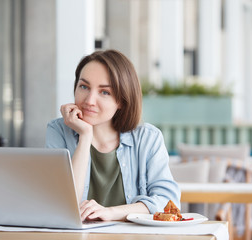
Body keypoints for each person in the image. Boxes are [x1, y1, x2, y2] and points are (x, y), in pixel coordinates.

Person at [45, 49, 180, 221]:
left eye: (104, 92)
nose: (89, 100)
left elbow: (168, 203)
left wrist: (110, 212)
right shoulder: (59, 130)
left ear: (122, 101)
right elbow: (61, 204)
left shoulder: (148, 139)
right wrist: (85, 136)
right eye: (84, 87)